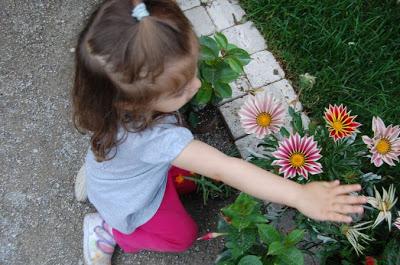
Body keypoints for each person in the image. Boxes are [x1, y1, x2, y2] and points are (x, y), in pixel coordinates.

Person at [71, 0, 367, 264]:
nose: (198, 86)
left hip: (119, 169)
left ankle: (97, 181)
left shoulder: (108, 103)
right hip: (133, 201)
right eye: (181, 88)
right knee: (181, 236)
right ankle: (107, 230)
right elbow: (227, 169)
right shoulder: (158, 139)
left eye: (193, 71)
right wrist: (299, 195)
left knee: (186, 177)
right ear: (134, 102)